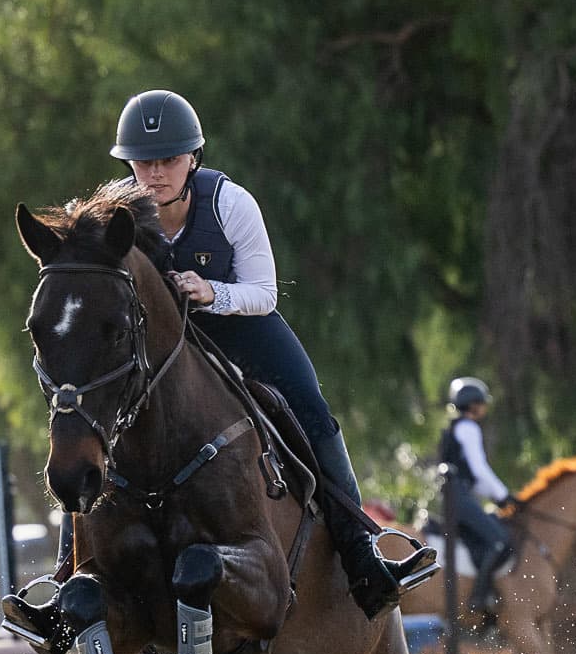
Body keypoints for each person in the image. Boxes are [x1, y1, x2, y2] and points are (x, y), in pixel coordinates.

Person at [110, 89, 409, 614]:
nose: (155, 174)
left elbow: (264, 293)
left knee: (312, 410)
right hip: (160, 342)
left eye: (169, 160)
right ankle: (66, 574)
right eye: (143, 161)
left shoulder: (231, 203)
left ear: (193, 158)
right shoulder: (115, 213)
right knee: (94, 419)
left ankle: (360, 551)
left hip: (241, 326)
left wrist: (211, 292)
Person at [436, 377, 517, 617]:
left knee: (485, 538)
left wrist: (498, 498)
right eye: (482, 403)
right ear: (473, 404)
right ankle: (479, 598)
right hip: (460, 499)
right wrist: (504, 496)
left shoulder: (455, 427)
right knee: (500, 540)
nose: (484, 407)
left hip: (455, 497)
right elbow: (480, 470)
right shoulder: (469, 428)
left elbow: (473, 477)